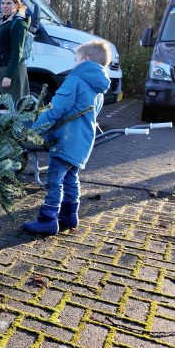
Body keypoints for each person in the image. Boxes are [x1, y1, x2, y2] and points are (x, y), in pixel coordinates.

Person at [22, 40, 112, 236]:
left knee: (54, 180)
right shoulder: (99, 87)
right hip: (83, 141)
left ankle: (47, 220)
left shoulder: (76, 79)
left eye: (75, 58)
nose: (73, 63)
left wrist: (34, 130)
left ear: (85, 60)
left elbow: (56, 109)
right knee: (71, 178)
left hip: (66, 140)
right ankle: (69, 216)